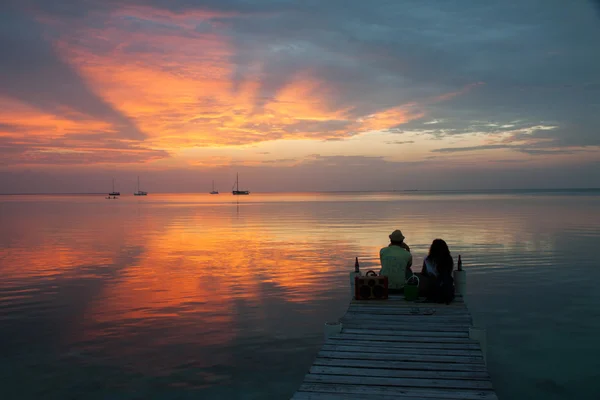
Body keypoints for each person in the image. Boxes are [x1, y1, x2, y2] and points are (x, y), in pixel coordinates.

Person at [420, 239, 455, 303]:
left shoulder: (427, 260)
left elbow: (424, 274)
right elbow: (448, 273)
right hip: (446, 290)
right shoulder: (449, 259)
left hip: (431, 289)